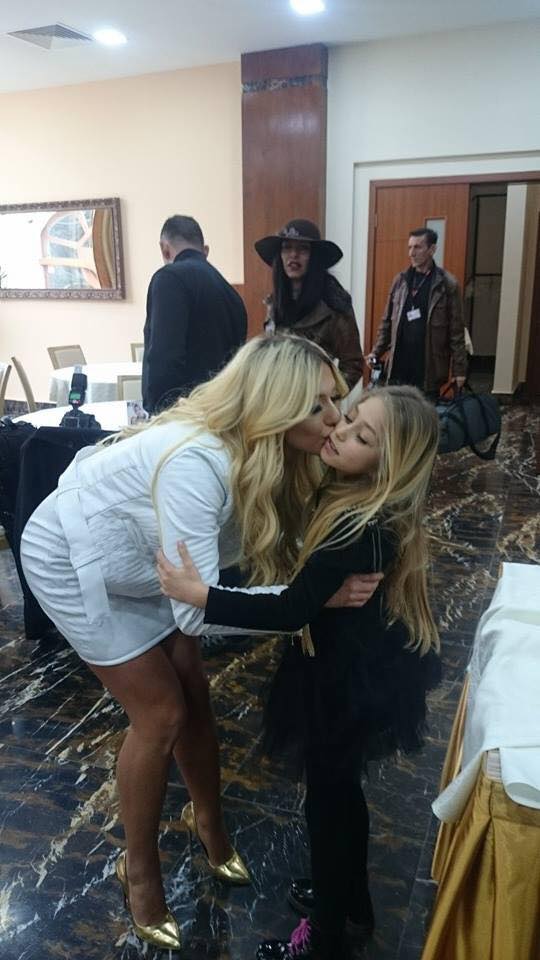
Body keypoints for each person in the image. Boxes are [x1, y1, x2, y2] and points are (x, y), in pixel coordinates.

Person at [20, 335, 382, 952]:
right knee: (161, 713)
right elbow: (197, 614)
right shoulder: (198, 461)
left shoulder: (278, 450)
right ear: (273, 403)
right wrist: (311, 601)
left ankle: (209, 822)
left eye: (335, 400)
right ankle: (140, 872)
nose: (333, 419)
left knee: (194, 693)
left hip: (152, 567)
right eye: (317, 404)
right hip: (75, 564)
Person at [157, 385, 442, 960]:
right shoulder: (360, 502)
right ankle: (352, 903)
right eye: (350, 417)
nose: (340, 430)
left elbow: (290, 609)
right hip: (358, 673)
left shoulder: (354, 526)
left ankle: (326, 938)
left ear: (388, 466)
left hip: (341, 685)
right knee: (341, 794)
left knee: (327, 811)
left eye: (361, 437)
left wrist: (201, 595)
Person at [142, 214, 247, 414]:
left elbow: (164, 357)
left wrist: (158, 413)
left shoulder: (169, 279)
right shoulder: (230, 293)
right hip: (222, 412)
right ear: (204, 250)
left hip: (183, 415)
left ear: (165, 249)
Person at [256, 218, 364, 390]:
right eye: (287, 247)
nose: (293, 255)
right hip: (277, 399)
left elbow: (353, 364)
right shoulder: (274, 303)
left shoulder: (334, 306)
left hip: (314, 402)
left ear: (314, 257)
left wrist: (326, 396)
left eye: (303, 248)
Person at [368, 228, 467, 398]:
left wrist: (459, 371)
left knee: (424, 412)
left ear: (432, 249)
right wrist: (376, 352)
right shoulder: (400, 281)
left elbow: (456, 332)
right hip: (399, 365)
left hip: (428, 368)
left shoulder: (447, 284)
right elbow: (386, 322)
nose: (411, 253)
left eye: (417, 247)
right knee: (396, 411)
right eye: (409, 247)